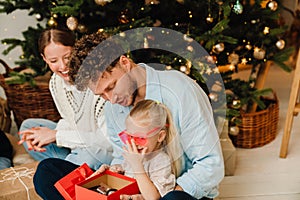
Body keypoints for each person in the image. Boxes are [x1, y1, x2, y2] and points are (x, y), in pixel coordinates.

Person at [34, 32, 224, 200]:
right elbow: (121, 155)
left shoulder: (180, 90)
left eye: (111, 86)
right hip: (136, 186)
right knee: (47, 171)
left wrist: (155, 195)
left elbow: (210, 166)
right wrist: (112, 175)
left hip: (174, 191)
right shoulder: (113, 106)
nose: (111, 99)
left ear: (125, 63)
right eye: (101, 95)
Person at [18, 29, 113, 170]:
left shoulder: (96, 77)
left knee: (90, 156)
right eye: (53, 61)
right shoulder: (56, 82)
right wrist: (47, 135)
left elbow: (107, 141)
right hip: (81, 140)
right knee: (28, 128)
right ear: (44, 59)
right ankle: (72, 163)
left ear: (76, 50)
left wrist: (57, 136)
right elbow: (71, 121)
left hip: (104, 148)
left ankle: (71, 165)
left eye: (67, 57)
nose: (63, 66)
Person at [92, 99, 183, 200]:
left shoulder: (161, 161)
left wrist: (137, 166)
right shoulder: (136, 154)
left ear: (160, 136)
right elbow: (129, 175)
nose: (134, 143)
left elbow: (153, 197)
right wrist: (118, 169)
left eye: (140, 138)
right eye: (129, 137)